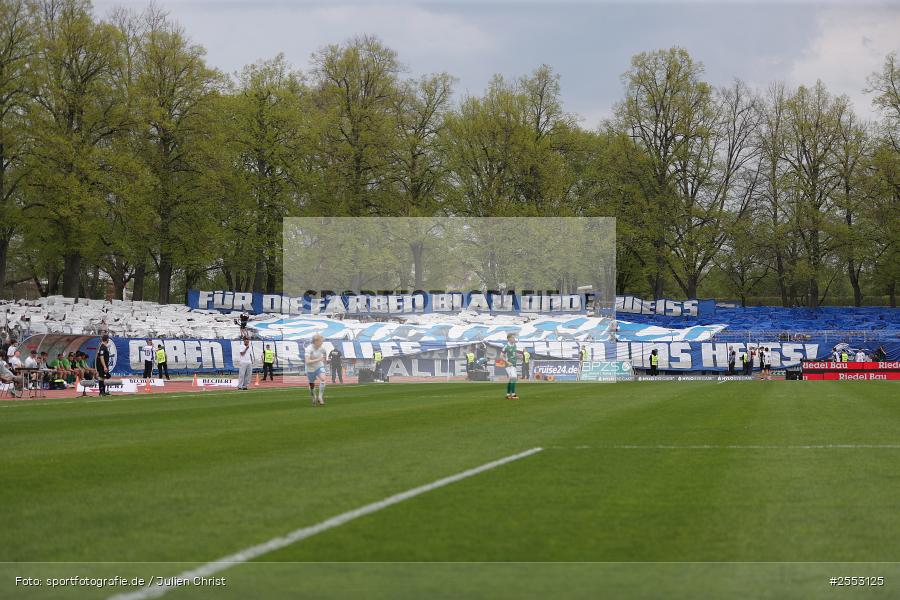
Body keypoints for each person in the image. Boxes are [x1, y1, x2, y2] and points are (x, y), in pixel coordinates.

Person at [305, 334, 327, 406]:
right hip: (310, 368)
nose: (322, 343)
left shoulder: (322, 347)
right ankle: (314, 397)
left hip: (319, 366)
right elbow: (307, 361)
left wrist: (324, 360)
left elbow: (324, 352)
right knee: (312, 384)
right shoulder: (309, 349)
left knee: (323, 379)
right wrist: (319, 359)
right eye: (321, 341)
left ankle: (320, 397)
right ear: (316, 341)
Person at [502, 333, 520, 400]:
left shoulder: (514, 345)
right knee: (514, 378)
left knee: (511, 380)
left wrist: (519, 356)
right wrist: (507, 362)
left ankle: (507, 395)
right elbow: (501, 356)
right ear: (509, 339)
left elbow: (514, 354)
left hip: (514, 365)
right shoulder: (506, 346)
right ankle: (513, 395)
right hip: (509, 365)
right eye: (513, 337)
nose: (514, 339)